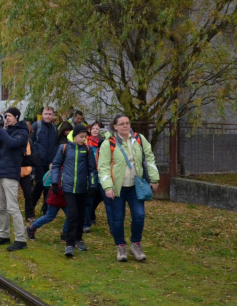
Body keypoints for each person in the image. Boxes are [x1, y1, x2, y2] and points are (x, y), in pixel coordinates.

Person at [98, 114, 160, 262]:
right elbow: (103, 167)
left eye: (127, 123)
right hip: (117, 188)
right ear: (115, 127)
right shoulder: (109, 143)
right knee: (118, 219)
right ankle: (120, 247)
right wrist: (107, 187)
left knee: (139, 216)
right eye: (122, 124)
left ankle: (135, 245)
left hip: (135, 187)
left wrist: (154, 178)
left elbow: (150, 157)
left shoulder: (139, 139)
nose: (126, 126)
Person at [51, 124, 97, 256]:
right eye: (81, 137)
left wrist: (93, 185)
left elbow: (92, 169)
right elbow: (56, 165)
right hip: (68, 188)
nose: (84, 139)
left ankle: (78, 238)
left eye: (85, 137)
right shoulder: (64, 148)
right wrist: (55, 181)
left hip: (83, 188)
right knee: (72, 216)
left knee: (81, 215)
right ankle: (69, 243)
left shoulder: (87, 150)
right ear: (74, 136)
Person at [0, 107, 30, 251]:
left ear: (17, 117)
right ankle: (4, 235)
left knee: (12, 207)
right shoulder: (6, 130)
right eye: (6, 115)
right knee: (0, 207)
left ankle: (20, 239)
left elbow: (12, 143)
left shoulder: (22, 132)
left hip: (10, 173)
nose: (7, 118)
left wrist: (0, 129)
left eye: (10, 115)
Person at [30, 106, 58, 215]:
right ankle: (31, 207)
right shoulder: (37, 126)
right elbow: (31, 142)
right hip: (39, 161)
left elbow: (55, 144)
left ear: (53, 115)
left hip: (50, 162)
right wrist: (36, 155)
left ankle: (46, 209)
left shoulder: (54, 128)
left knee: (48, 186)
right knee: (40, 184)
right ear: (42, 114)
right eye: (46, 114)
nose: (48, 116)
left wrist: (55, 159)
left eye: (50, 114)